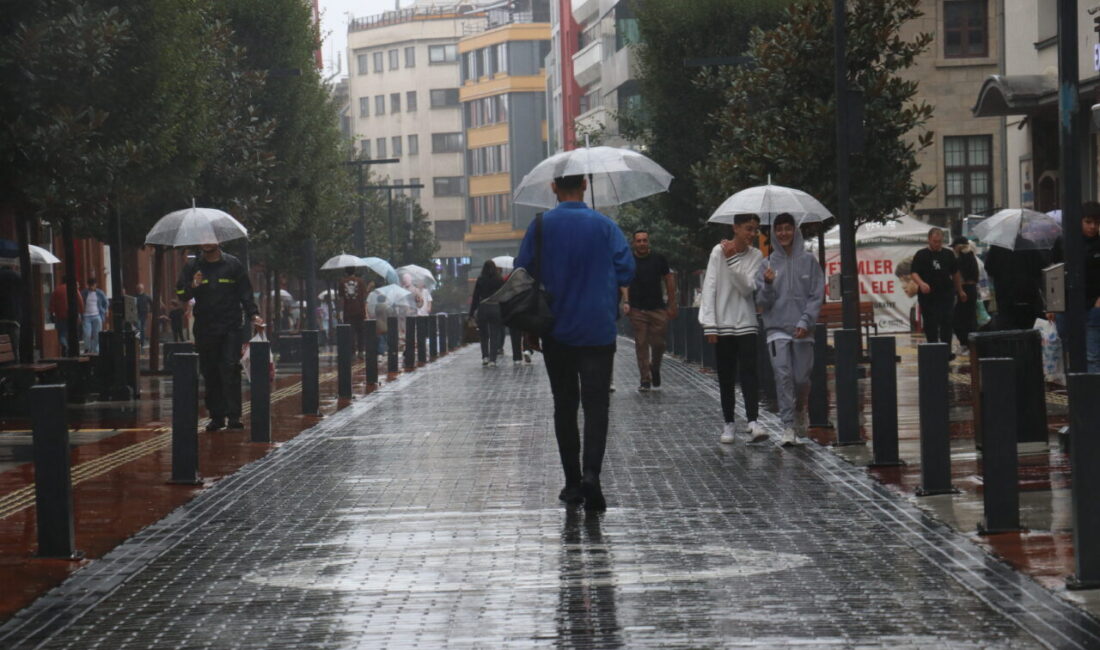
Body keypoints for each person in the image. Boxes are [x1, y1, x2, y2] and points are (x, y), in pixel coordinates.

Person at [514, 174, 634, 512]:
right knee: (597, 407)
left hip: (556, 329)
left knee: (564, 405)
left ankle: (571, 482)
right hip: (598, 328)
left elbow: (523, 272)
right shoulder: (605, 225)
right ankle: (592, 475)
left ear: (553, 187)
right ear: (585, 183)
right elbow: (626, 270)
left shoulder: (540, 227)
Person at [176, 243, 263, 431]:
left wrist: (253, 315)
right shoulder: (193, 267)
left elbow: (245, 294)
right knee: (210, 371)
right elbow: (181, 294)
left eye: (211, 238)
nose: (207, 242)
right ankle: (216, 416)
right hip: (205, 328)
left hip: (230, 326)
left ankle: (234, 416)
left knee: (230, 367)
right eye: (204, 239)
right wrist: (193, 285)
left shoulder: (233, 265)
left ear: (218, 241)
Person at [755, 213, 824, 447]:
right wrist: (768, 283)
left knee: (801, 378)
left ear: (795, 230)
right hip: (776, 329)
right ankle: (787, 426)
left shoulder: (809, 261)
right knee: (782, 375)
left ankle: (799, 408)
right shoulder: (766, 264)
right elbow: (763, 302)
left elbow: (816, 295)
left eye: (788, 228)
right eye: (779, 229)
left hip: (803, 330)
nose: (783, 233)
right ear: (773, 233)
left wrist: (805, 322)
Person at [699, 214, 767, 444]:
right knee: (726, 376)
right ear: (735, 228)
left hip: (747, 322)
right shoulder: (717, 252)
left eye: (755, 229)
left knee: (750, 373)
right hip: (723, 324)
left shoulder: (756, 255)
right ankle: (729, 423)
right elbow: (710, 287)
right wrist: (709, 324)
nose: (752, 234)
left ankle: (753, 421)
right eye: (748, 228)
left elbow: (748, 287)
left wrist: (732, 260)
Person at [622, 230, 676, 391]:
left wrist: (672, 303)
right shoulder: (629, 260)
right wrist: (626, 301)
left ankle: (655, 366)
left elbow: (669, 279)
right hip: (637, 309)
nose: (642, 243)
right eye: (638, 241)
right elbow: (624, 281)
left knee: (659, 344)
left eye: (645, 240)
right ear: (634, 243)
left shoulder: (659, 259)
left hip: (657, 308)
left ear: (648, 242)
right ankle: (645, 379)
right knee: (641, 343)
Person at [910, 228, 963, 346]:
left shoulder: (948, 254)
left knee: (947, 322)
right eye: (935, 241)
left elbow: (955, 274)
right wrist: (921, 283)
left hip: (945, 294)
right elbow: (914, 273)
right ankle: (933, 348)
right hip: (928, 296)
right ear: (929, 240)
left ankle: (946, 350)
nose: (937, 244)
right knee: (930, 323)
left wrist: (960, 290)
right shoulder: (921, 254)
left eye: (940, 241)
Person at [469, 260, 505, 367]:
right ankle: (493, 360)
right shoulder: (499, 279)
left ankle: (485, 357)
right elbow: (503, 295)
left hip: (483, 307)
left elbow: (475, 297)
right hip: (495, 307)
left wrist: (471, 313)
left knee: (484, 335)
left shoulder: (481, 279)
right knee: (494, 335)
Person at [951, 236, 980, 353]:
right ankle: (968, 344)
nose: (953, 249)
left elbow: (958, 273)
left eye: (955, 247)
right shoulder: (972, 257)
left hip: (964, 290)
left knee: (960, 318)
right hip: (970, 290)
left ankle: (966, 343)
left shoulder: (965, 258)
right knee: (968, 317)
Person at [339, 268, 368, 356]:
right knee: (361, 332)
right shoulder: (361, 281)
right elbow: (364, 296)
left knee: (350, 332)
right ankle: (360, 351)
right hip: (360, 310)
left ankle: (352, 352)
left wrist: (341, 310)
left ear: (345, 272)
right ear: (354, 271)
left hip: (348, 311)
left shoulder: (342, 282)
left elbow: (341, 298)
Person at [49, 281, 83, 355]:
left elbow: (52, 302)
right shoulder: (73, 289)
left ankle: (64, 344)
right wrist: (80, 312)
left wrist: (52, 313)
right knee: (72, 333)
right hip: (72, 315)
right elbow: (80, 301)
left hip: (60, 315)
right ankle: (70, 348)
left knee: (61, 333)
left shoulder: (56, 290)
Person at [80, 277, 108, 355]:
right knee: (87, 334)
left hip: (97, 315)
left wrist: (105, 311)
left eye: (93, 285)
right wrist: (79, 315)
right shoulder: (84, 293)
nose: (92, 287)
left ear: (96, 285)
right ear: (88, 285)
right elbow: (79, 303)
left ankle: (95, 350)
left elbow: (106, 302)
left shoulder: (100, 293)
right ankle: (87, 348)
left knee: (97, 334)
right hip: (86, 316)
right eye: (90, 285)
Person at [0, 263, 22, 356]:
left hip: (1, 315)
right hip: (14, 316)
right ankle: (15, 361)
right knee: (14, 344)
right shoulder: (17, 276)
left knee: (2, 343)